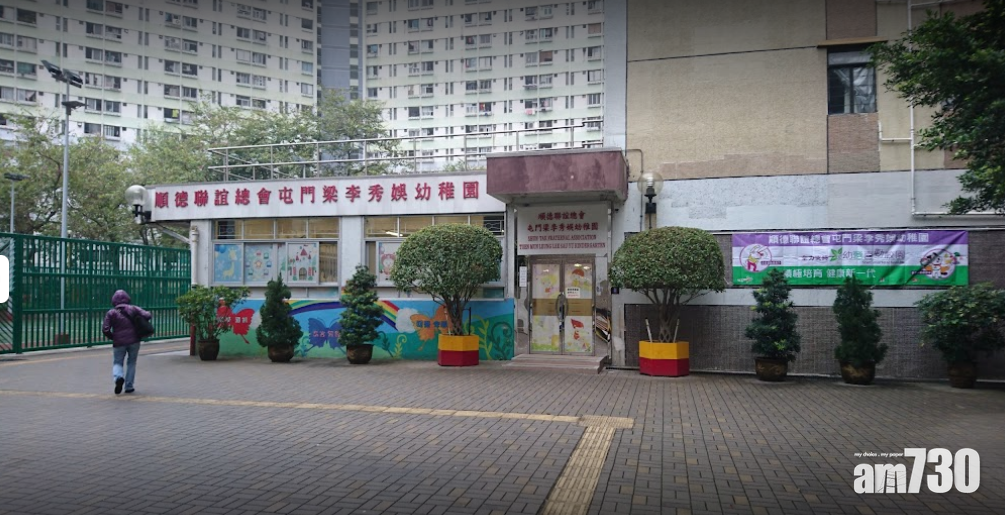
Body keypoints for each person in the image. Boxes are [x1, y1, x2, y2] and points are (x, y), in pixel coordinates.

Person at [102, 290, 152, 395]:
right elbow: (148, 315)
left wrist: (113, 337)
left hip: (118, 342)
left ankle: (118, 377)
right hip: (134, 340)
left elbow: (105, 329)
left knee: (117, 362)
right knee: (131, 362)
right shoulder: (134, 308)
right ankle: (129, 386)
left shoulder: (111, 313)